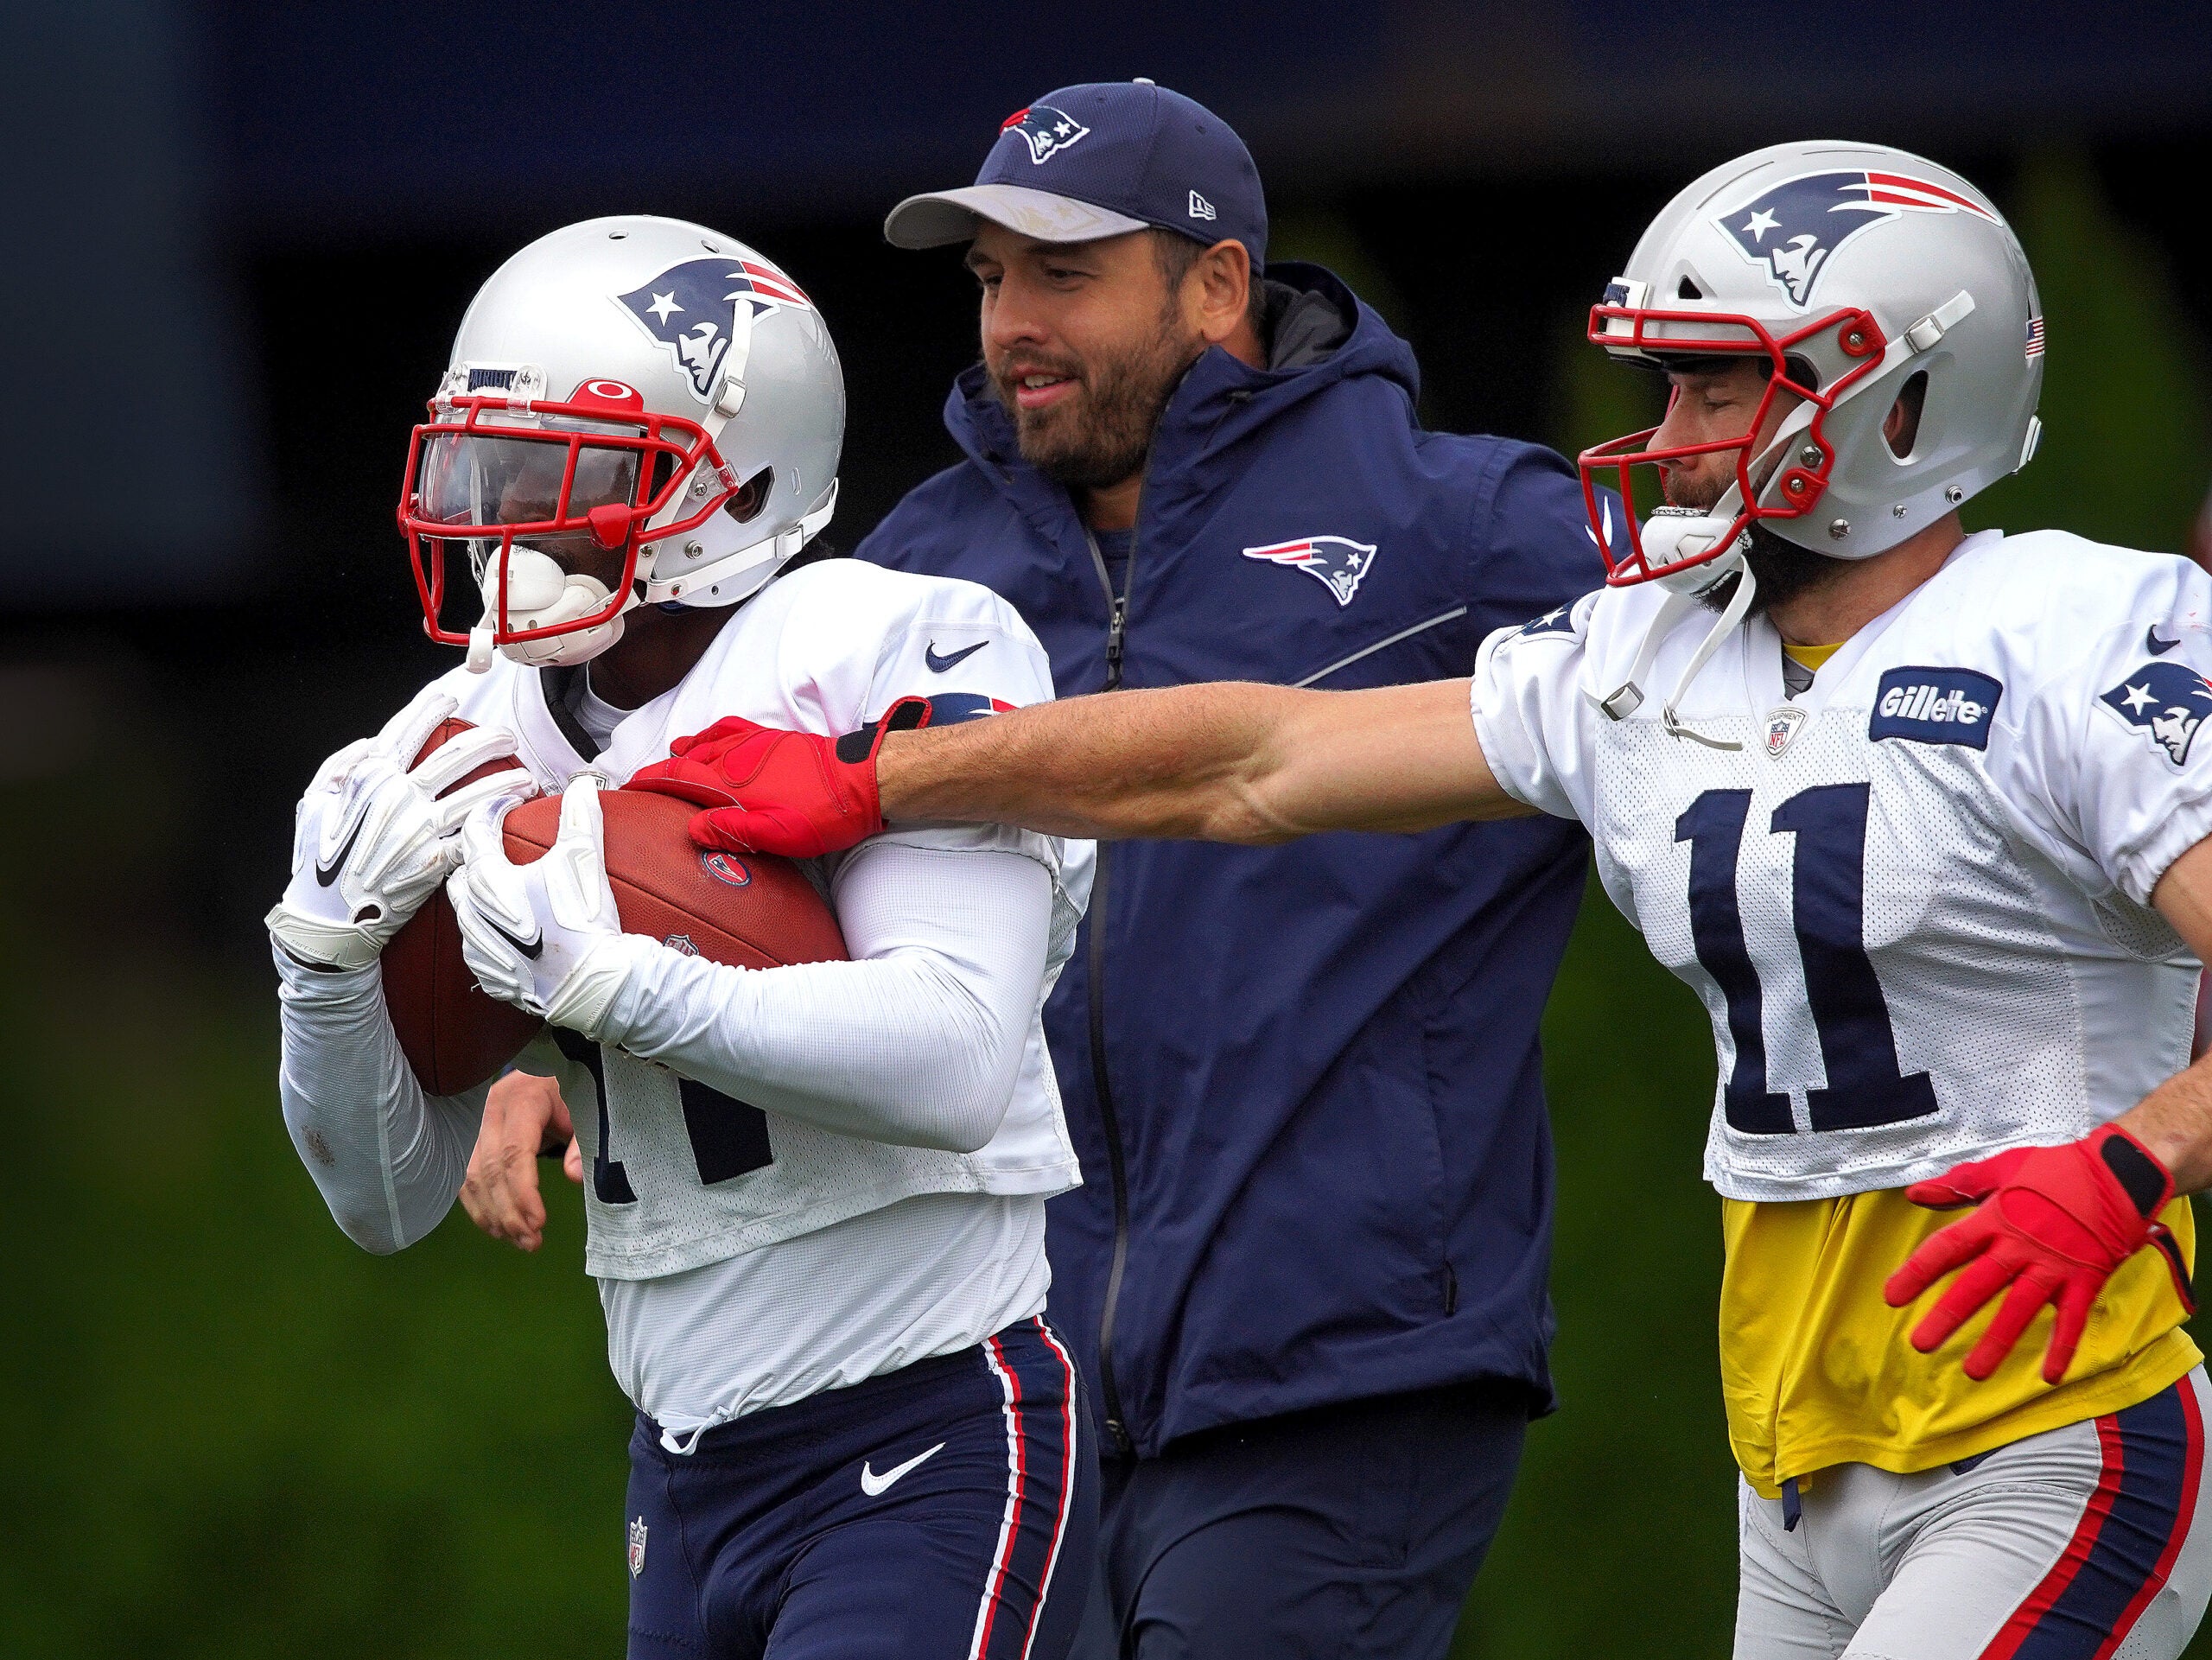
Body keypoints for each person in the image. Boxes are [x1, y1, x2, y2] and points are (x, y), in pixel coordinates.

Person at [631, 143, 2212, 1658]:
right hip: (1802, 1441)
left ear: (1906, 398)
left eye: (1721, 382)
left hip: (2056, 1417)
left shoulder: (2078, 635)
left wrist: (2143, 1155)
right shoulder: (1649, 656)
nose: (1668, 429)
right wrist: (889, 776)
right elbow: (1251, 757)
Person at [827, 77, 1611, 1660]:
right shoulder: (905, 574)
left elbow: (1785, 675)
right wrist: (561, 1054)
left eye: (1063, 273)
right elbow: (727, 844)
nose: (1011, 327)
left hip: (1351, 1369)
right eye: (990, 280)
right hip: (1007, 1386)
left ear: (1218, 284)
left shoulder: (1464, 526)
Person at [266, 214, 1096, 1660]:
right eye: (485, 465)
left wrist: (618, 984)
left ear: (739, 474)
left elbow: (958, 1054)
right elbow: (383, 1201)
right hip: (680, 1470)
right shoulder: (466, 731)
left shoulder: (896, 644)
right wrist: (320, 970)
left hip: (922, 1424)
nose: (501, 521)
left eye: (559, 476)